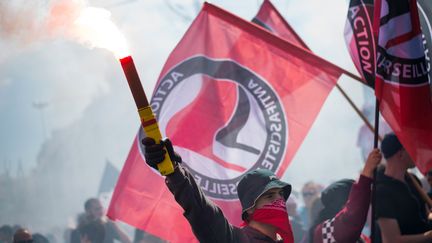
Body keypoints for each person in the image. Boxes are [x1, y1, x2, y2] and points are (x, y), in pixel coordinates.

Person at [142, 137, 294, 242]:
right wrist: (174, 171)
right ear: (250, 209)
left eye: (281, 194)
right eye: (269, 196)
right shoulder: (233, 239)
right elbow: (201, 209)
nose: (279, 200)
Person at [309, 149, 381, 243]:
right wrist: (366, 173)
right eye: (353, 200)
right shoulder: (324, 232)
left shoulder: (361, 237)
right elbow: (352, 216)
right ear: (344, 205)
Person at [375, 133, 432, 242]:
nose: (416, 153)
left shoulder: (413, 180)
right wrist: (428, 236)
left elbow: (426, 214)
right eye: (411, 149)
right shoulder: (382, 192)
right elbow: (392, 240)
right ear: (400, 154)